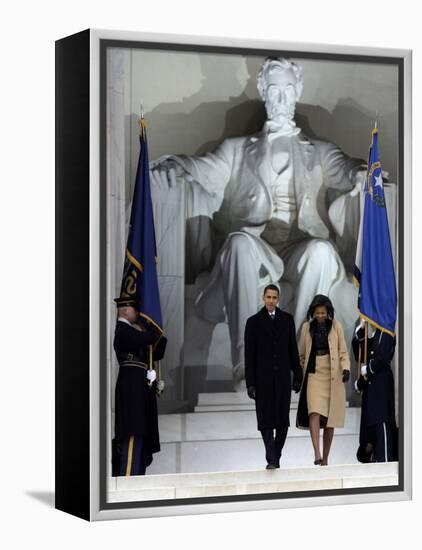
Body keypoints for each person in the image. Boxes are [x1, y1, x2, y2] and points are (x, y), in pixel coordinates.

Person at [151, 57, 367, 390]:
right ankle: (246, 366)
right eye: (274, 90)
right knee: (237, 242)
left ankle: (293, 358)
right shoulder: (238, 149)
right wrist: (177, 165)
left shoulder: (320, 151)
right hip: (257, 248)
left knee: (323, 252)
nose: (281, 99)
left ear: (298, 93)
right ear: (264, 93)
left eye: (288, 90)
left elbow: (347, 167)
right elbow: (204, 169)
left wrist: (362, 172)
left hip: (300, 249)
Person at [244, 284, 302, 469]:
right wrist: (250, 383)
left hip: (283, 379)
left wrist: (297, 376)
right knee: (266, 420)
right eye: (268, 297)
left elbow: (293, 350)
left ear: (278, 299)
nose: (271, 301)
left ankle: (276, 454)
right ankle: (271, 457)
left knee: (283, 421)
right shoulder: (253, 322)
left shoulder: (287, 320)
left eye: (274, 297)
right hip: (263, 381)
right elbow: (249, 356)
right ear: (263, 298)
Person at [112, 296, 167, 476]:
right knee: (133, 434)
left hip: (139, 392)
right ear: (127, 310)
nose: (139, 316)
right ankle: (129, 478)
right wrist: (150, 322)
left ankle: (136, 475)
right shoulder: (123, 331)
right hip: (131, 391)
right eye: (138, 312)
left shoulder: (132, 333)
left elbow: (157, 347)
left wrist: (154, 328)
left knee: (141, 436)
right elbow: (150, 337)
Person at [296, 295, 350, 465]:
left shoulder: (336, 326)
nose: (320, 315)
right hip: (313, 373)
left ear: (328, 313)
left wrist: (346, 368)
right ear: (313, 312)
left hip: (332, 374)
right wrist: (299, 375)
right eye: (317, 313)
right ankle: (317, 454)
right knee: (314, 412)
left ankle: (326, 458)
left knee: (330, 420)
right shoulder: (306, 327)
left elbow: (343, 351)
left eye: (323, 313)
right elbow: (302, 355)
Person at [352, 322, 398, 463]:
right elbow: (360, 353)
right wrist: (360, 332)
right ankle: (374, 458)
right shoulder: (373, 334)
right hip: (371, 386)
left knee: (381, 420)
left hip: (381, 384)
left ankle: (385, 458)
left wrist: (369, 368)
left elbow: (382, 357)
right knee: (371, 423)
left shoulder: (386, 332)